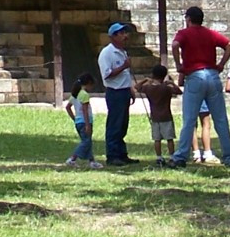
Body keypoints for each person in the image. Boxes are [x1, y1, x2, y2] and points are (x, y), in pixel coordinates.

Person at [167, 5, 230, 167]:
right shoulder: (209, 33)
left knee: (189, 119)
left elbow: (175, 45)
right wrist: (221, 64)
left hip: (195, 76)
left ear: (188, 19)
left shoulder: (184, 33)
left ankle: (181, 156)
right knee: (220, 118)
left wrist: (179, 65)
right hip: (212, 75)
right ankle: (229, 155)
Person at [98, 22, 137, 165]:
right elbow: (107, 75)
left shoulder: (122, 51)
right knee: (114, 123)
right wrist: (124, 66)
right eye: (121, 33)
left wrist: (131, 89)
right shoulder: (107, 53)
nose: (125, 36)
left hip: (124, 90)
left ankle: (122, 153)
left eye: (125, 33)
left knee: (123, 124)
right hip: (114, 92)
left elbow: (126, 74)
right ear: (113, 36)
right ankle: (112, 155)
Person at [134, 64, 180, 161]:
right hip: (166, 116)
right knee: (169, 138)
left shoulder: (148, 88)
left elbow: (137, 87)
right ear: (164, 76)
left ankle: (159, 157)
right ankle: (172, 156)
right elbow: (179, 91)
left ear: (153, 75)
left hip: (155, 117)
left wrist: (146, 80)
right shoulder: (166, 88)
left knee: (157, 139)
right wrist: (172, 83)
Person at [62, 76, 100, 167]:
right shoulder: (84, 95)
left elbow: (68, 107)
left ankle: (92, 161)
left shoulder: (75, 94)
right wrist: (87, 125)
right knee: (86, 142)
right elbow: (85, 110)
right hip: (85, 122)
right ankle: (72, 159)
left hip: (78, 122)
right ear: (88, 84)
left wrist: (75, 119)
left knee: (87, 141)